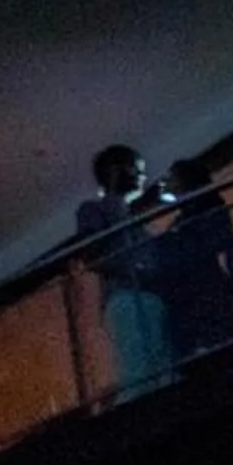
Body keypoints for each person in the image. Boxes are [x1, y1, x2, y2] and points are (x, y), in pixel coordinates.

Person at [75, 144, 174, 397]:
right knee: (138, 370)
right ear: (115, 171)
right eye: (136, 168)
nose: (142, 174)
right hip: (127, 295)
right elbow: (92, 254)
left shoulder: (133, 217)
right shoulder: (95, 209)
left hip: (151, 295)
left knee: (165, 368)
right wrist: (134, 271)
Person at [158, 156, 233, 363]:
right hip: (203, 295)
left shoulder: (205, 211)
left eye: (172, 178)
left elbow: (221, 248)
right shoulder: (185, 218)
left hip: (210, 294)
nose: (167, 182)